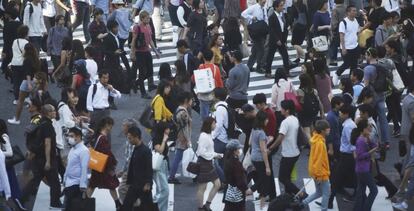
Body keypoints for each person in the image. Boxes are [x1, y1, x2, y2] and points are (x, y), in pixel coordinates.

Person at [22, 104, 63, 209]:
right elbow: (47, 143)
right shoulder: (48, 126)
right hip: (46, 159)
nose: (55, 112)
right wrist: (48, 161)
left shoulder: (40, 122)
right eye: (53, 111)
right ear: (48, 113)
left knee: (35, 180)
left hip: (37, 157)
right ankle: (55, 203)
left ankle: (21, 199)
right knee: (55, 182)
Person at [268, 100, 302, 197]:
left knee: (282, 178)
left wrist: (270, 148)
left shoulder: (285, 122)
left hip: (288, 154)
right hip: (295, 152)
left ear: (287, 110)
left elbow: (280, 138)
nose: (280, 110)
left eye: (282, 108)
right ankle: (289, 196)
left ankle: (300, 193)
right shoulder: (295, 119)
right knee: (287, 177)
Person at [87, 117, 121, 209]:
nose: (111, 128)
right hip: (104, 166)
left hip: (98, 165)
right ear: (107, 125)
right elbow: (107, 153)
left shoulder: (98, 136)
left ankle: (85, 202)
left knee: (92, 184)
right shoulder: (103, 138)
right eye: (111, 126)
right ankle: (117, 204)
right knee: (111, 185)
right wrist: (113, 163)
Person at [120, 126, 154, 211]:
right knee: (126, 205)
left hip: (143, 185)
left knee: (148, 207)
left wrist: (148, 183)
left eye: (130, 138)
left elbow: (149, 168)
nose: (129, 140)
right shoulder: (136, 148)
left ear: (136, 137)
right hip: (135, 184)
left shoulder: (146, 151)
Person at [301, 120, 331, 211]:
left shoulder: (315, 140)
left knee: (319, 193)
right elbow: (319, 161)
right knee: (326, 193)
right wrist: (319, 176)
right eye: (327, 129)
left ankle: (302, 204)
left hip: (315, 172)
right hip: (321, 173)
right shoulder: (320, 143)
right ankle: (324, 209)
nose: (329, 130)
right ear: (322, 131)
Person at [130, 10, 160, 99]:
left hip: (147, 51)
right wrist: (132, 53)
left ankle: (136, 83)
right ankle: (143, 92)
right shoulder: (137, 27)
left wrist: (156, 52)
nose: (149, 19)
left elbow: (150, 40)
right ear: (142, 18)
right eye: (147, 18)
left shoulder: (148, 26)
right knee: (142, 73)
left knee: (150, 72)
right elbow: (133, 41)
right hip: (139, 52)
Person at [363, 47, 390, 146]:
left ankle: (374, 141)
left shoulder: (367, 69)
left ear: (370, 55)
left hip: (371, 97)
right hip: (381, 94)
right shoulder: (382, 65)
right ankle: (386, 141)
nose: (365, 57)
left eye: (366, 55)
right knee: (383, 119)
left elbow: (366, 85)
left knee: (371, 119)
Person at [8, 43, 41, 125]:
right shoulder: (36, 59)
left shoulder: (27, 60)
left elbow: (27, 73)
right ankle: (38, 119)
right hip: (36, 81)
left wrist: (29, 84)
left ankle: (17, 119)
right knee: (35, 101)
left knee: (20, 101)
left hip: (27, 82)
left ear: (25, 50)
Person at [331, 104, 357, 202]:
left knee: (338, 177)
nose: (340, 114)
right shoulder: (348, 124)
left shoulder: (348, 126)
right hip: (347, 155)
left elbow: (352, 141)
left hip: (347, 155)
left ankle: (329, 200)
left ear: (346, 114)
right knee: (347, 175)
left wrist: (354, 154)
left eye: (341, 113)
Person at [351, 119, 378, 211]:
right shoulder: (360, 141)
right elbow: (359, 157)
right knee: (374, 190)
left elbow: (375, 146)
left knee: (361, 191)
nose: (370, 128)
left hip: (362, 168)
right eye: (368, 127)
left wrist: (370, 141)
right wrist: (371, 152)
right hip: (363, 169)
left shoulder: (366, 138)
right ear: (363, 129)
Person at [196, 117, 222, 211]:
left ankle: (207, 204)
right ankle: (201, 207)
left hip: (209, 162)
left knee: (217, 184)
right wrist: (213, 155)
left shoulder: (208, 134)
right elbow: (201, 152)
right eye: (214, 123)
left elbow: (208, 150)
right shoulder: (203, 136)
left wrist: (216, 155)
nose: (215, 125)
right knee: (202, 187)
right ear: (209, 124)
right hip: (204, 163)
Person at [0, 120, 26, 210]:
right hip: (3, 165)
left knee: (12, 186)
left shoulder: (4, 136)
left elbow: (10, 153)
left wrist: (1, 153)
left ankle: (18, 205)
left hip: (6, 167)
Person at [250, 110, 274, 208]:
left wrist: (265, 140)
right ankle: (251, 192)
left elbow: (250, 143)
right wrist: (268, 166)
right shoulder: (261, 133)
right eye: (266, 119)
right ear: (263, 120)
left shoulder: (254, 129)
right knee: (265, 180)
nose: (268, 120)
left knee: (261, 178)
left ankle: (260, 202)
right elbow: (263, 150)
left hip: (253, 157)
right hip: (260, 158)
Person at [63, 127, 90, 211]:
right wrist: (64, 179)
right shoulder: (72, 149)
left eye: (71, 136)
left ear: (78, 137)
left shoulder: (84, 151)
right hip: (69, 183)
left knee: (71, 207)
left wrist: (83, 185)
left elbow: (84, 168)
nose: (69, 138)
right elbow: (69, 166)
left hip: (76, 184)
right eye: (68, 136)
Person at [168, 92, 193, 184]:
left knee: (180, 157)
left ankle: (172, 175)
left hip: (180, 137)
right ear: (186, 100)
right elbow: (185, 128)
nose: (192, 101)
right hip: (182, 138)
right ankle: (171, 176)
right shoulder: (183, 113)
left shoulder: (179, 109)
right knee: (179, 157)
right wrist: (188, 140)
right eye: (191, 99)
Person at [265, 0, 292, 78]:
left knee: (285, 55)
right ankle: (268, 72)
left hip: (282, 39)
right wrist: (277, 40)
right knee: (270, 56)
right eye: (280, 6)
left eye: (282, 5)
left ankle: (287, 71)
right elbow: (271, 30)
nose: (282, 7)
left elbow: (284, 27)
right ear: (276, 7)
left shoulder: (282, 15)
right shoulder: (272, 17)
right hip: (274, 40)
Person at [193, 49, 224, 120]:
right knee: (213, 112)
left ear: (203, 58)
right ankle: (213, 125)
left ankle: (206, 127)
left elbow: (194, 79)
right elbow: (220, 83)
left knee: (204, 115)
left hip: (203, 95)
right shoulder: (216, 68)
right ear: (212, 57)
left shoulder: (200, 67)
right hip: (213, 95)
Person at [241, 0, 268, 73]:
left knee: (255, 50)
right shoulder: (254, 7)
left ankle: (249, 66)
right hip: (256, 31)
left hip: (262, 31)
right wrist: (251, 17)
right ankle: (259, 67)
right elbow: (243, 14)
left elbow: (265, 19)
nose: (264, 1)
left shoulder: (264, 8)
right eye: (263, 0)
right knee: (261, 50)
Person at [117, 118, 139, 204]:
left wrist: (125, 171)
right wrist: (123, 170)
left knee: (122, 189)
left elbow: (130, 158)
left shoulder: (132, 140)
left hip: (132, 170)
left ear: (129, 128)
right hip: (129, 169)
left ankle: (132, 206)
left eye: (124, 126)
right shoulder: (129, 138)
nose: (122, 128)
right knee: (130, 190)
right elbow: (127, 158)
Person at [335, 5, 360, 80]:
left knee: (354, 65)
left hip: (355, 46)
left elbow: (356, 31)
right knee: (346, 63)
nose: (355, 12)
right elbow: (341, 36)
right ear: (348, 12)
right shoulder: (343, 22)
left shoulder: (356, 20)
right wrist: (343, 48)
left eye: (355, 10)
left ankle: (351, 80)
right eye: (353, 11)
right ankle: (337, 73)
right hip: (347, 47)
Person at [223, 140, 248, 211]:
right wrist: (245, 189)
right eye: (238, 149)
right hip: (237, 193)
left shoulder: (227, 160)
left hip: (229, 191)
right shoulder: (236, 164)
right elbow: (240, 180)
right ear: (234, 151)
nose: (240, 150)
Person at [151, 122, 170, 211]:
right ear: (163, 129)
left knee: (161, 189)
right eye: (167, 128)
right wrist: (164, 140)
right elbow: (159, 151)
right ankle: (152, 205)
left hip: (163, 164)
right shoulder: (157, 138)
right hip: (158, 166)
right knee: (165, 190)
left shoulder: (161, 137)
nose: (169, 130)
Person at [10, 25, 29, 105]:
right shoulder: (26, 43)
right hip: (22, 64)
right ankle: (25, 97)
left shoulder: (15, 41)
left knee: (16, 81)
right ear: (26, 33)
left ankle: (16, 99)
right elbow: (25, 54)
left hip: (14, 63)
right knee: (24, 81)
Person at [47, 15, 70, 82]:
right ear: (57, 21)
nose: (63, 21)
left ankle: (56, 76)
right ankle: (55, 76)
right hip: (54, 51)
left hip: (63, 51)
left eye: (63, 19)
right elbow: (49, 40)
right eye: (61, 19)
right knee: (57, 65)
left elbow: (68, 40)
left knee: (62, 65)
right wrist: (48, 50)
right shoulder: (52, 30)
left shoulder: (66, 30)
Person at [1, 5, 22, 79]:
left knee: (4, 66)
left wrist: (4, 51)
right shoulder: (20, 24)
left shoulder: (7, 26)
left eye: (6, 13)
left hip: (10, 49)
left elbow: (6, 40)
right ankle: (15, 80)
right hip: (19, 48)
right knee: (16, 66)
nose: (4, 14)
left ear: (9, 15)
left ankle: (13, 79)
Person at [329, 0, 346, 66]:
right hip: (345, 29)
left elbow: (334, 23)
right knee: (343, 44)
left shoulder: (335, 10)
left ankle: (334, 60)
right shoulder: (346, 8)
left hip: (338, 30)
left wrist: (332, 30)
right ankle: (345, 59)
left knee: (333, 45)